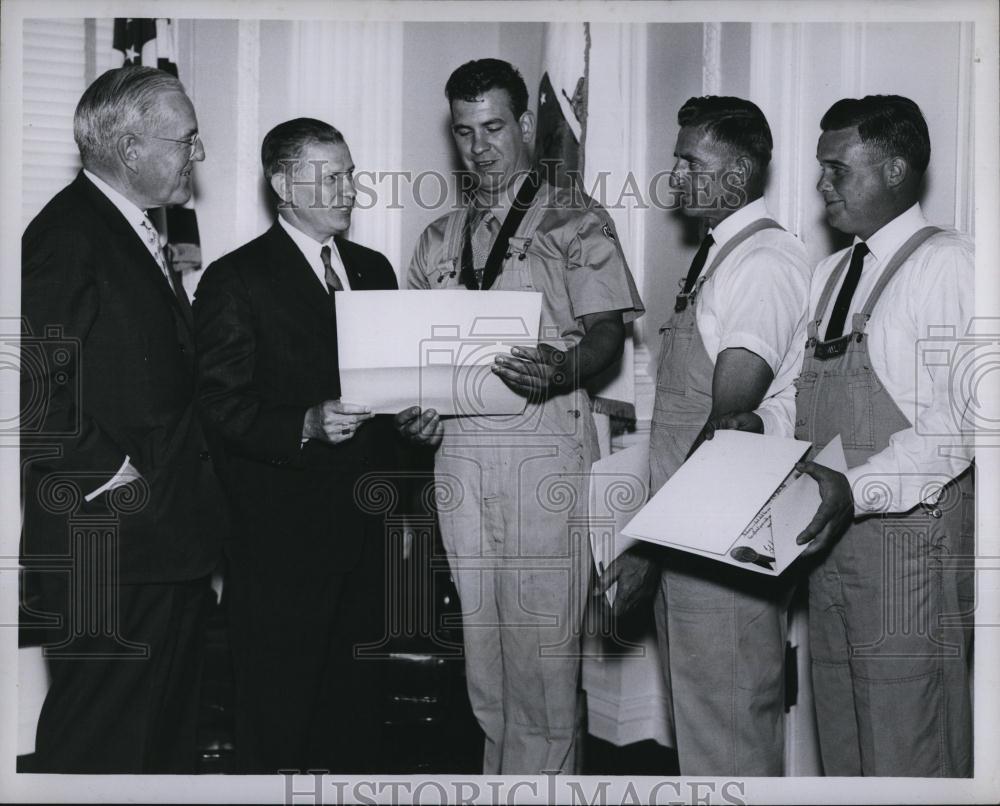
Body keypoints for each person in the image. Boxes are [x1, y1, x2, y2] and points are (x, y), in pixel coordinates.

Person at [399, 58, 644, 775]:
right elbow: (413, 354)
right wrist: (413, 413)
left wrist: (565, 367)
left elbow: (604, 331)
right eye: (466, 131)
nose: (481, 147)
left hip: (543, 453)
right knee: (485, 661)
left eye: (496, 127)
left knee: (542, 659)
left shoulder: (575, 219)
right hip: (461, 459)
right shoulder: (438, 239)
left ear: (528, 125)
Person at [19, 65, 227, 773]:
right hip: (108, 549)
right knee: (101, 752)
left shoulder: (127, 229)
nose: (197, 156)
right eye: (187, 140)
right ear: (131, 148)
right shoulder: (68, 235)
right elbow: (35, 387)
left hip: (162, 546)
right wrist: (116, 475)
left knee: (158, 752)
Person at [193, 118, 416, 773]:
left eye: (350, 173)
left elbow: (391, 392)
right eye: (331, 175)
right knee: (277, 716)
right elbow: (218, 407)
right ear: (284, 184)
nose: (350, 188)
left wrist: (416, 422)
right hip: (278, 541)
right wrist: (305, 424)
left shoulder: (373, 270)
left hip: (367, 530)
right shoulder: (236, 280)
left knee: (354, 714)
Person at [598, 96, 812, 776]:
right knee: (702, 735)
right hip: (691, 542)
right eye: (676, 159)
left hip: (724, 544)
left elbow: (730, 424)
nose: (676, 176)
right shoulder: (717, 258)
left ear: (741, 170)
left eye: (692, 161)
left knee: (728, 741)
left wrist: (649, 551)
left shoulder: (766, 263)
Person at [777, 95, 974, 776]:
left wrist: (852, 491)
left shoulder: (948, 266)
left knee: (907, 743)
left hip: (903, 554)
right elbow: (802, 403)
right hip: (827, 545)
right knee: (842, 737)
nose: (823, 184)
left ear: (894, 170)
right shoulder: (831, 274)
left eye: (838, 169)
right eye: (821, 169)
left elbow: (957, 428)